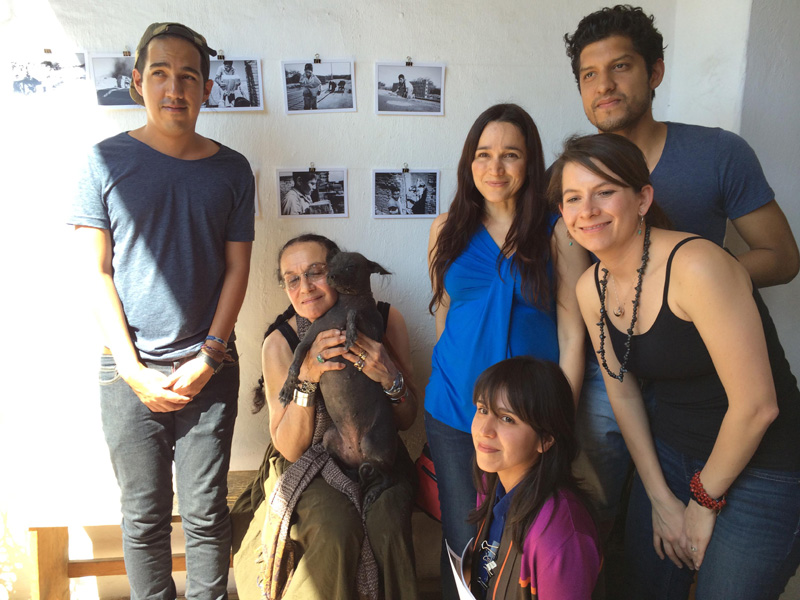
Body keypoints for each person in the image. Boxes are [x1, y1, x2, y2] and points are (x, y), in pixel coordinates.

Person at [562, 3, 800, 540]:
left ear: (655, 72)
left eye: (621, 67)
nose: (605, 85)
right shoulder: (581, 175)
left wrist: (692, 292)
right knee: (603, 494)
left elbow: (783, 256)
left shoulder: (717, 153)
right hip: (619, 357)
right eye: (589, 75)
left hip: (701, 364)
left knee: (716, 495)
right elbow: (583, 289)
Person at [549, 132, 800, 600]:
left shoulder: (697, 265)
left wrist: (703, 502)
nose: (588, 210)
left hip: (766, 464)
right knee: (645, 587)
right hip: (673, 453)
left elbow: (758, 406)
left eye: (605, 191)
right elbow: (622, 393)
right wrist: (662, 498)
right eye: (573, 198)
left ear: (643, 198)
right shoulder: (590, 288)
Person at [69, 22, 254, 598]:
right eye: (160, 73)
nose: (175, 87)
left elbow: (237, 270)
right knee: (143, 517)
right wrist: (132, 370)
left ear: (205, 89)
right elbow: (93, 270)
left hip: (210, 368)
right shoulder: (103, 161)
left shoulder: (232, 169)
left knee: (205, 515)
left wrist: (209, 356)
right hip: (127, 372)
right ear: (136, 83)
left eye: (188, 76)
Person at [426, 103, 589, 600]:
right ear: (468, 162)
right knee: (464, 537)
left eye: (510, 155)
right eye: (483, 154)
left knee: (520, 540)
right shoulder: (446, 228)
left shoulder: (558, 231)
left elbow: (573, 334)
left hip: (527, 418)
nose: (494, 168)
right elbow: (445, 313)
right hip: (456, 413)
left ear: (531, 163)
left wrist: (559, 417)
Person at [231, 234, 419, 600]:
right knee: (335, 528)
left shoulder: (382, 319)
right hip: (309, 458)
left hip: (377, 450)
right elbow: (289, 447)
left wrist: (388, 376)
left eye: (316, 272)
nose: (305, 288)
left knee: (390, 522)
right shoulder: (281, 341)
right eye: (292, 279)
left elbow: (406, 418)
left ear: (336, 271)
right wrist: (308, 377)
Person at [467, 357, 601, 599]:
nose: (484, 431)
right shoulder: (491, 481)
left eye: (507, 418)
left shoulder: (559, 535)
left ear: (546, 439)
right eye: (482, 410)